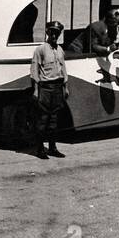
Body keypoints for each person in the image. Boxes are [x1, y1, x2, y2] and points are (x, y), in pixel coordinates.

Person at [31, 20, 69, 160]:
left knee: (54, 120)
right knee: (42, 119)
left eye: (57, 33)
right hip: (45, 88)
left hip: (58, 88)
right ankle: (40, 149)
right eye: (52, 32)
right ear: (47, 33)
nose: (54, 35)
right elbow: (34, 71)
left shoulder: (60, 50)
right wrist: (36, 90)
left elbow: (63, 69)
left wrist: (65, 87)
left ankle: (52, 148)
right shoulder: (40, 49)